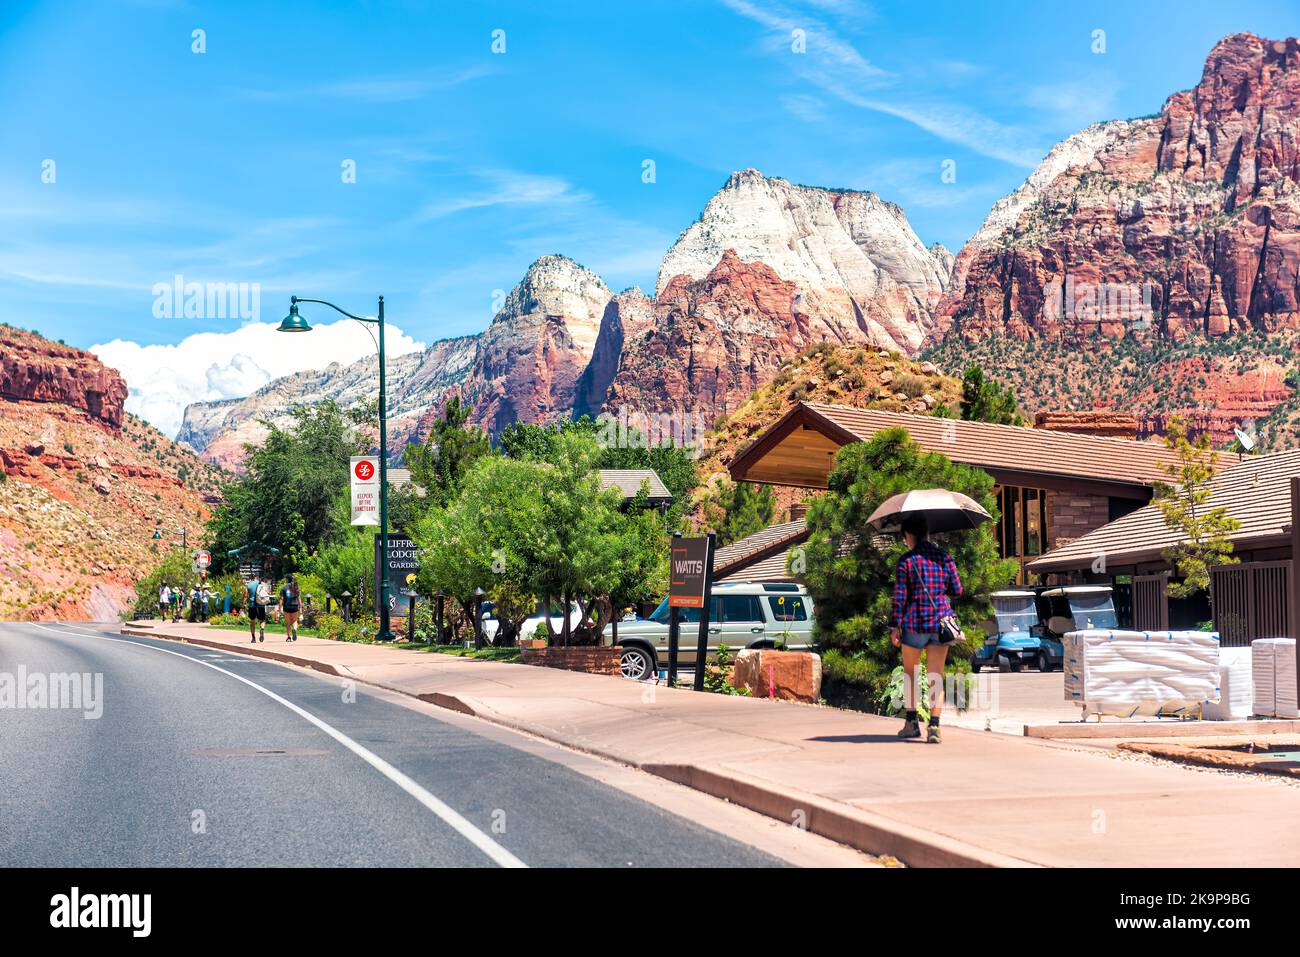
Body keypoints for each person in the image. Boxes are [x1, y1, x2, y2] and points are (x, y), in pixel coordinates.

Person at [888, 513, 962, 744]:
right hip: (940, 623)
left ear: (908, 535)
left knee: (911, 673)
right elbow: (957, 589)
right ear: (927, 533)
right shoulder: (944, 557)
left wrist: (894, 627)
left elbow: (900, 598)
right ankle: (934, 727)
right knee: (935, 676)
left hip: (914, 623)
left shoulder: (906, 561)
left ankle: (911, 723)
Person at [280, 574, 302, 642]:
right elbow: (299, 599)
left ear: (287, 579)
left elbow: (281, 598)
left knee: (288, 622)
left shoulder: (284, 588)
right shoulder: (296, 587)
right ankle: (294, 629)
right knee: (295, 621)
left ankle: (289, 637)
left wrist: (279, 607)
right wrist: (300, 607)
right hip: (295, 606)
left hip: (287, 606)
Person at [245, 575, 264, 642]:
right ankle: (262, 628)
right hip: (261, 604)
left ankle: (253, 638)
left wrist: (243, 605)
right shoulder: (261, 584)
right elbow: (267, 592)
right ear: (256, 577)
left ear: (250, 578)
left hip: (252, 605)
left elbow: (246, 596)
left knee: (252, 622)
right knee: (262, 620)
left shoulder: (248, 585)